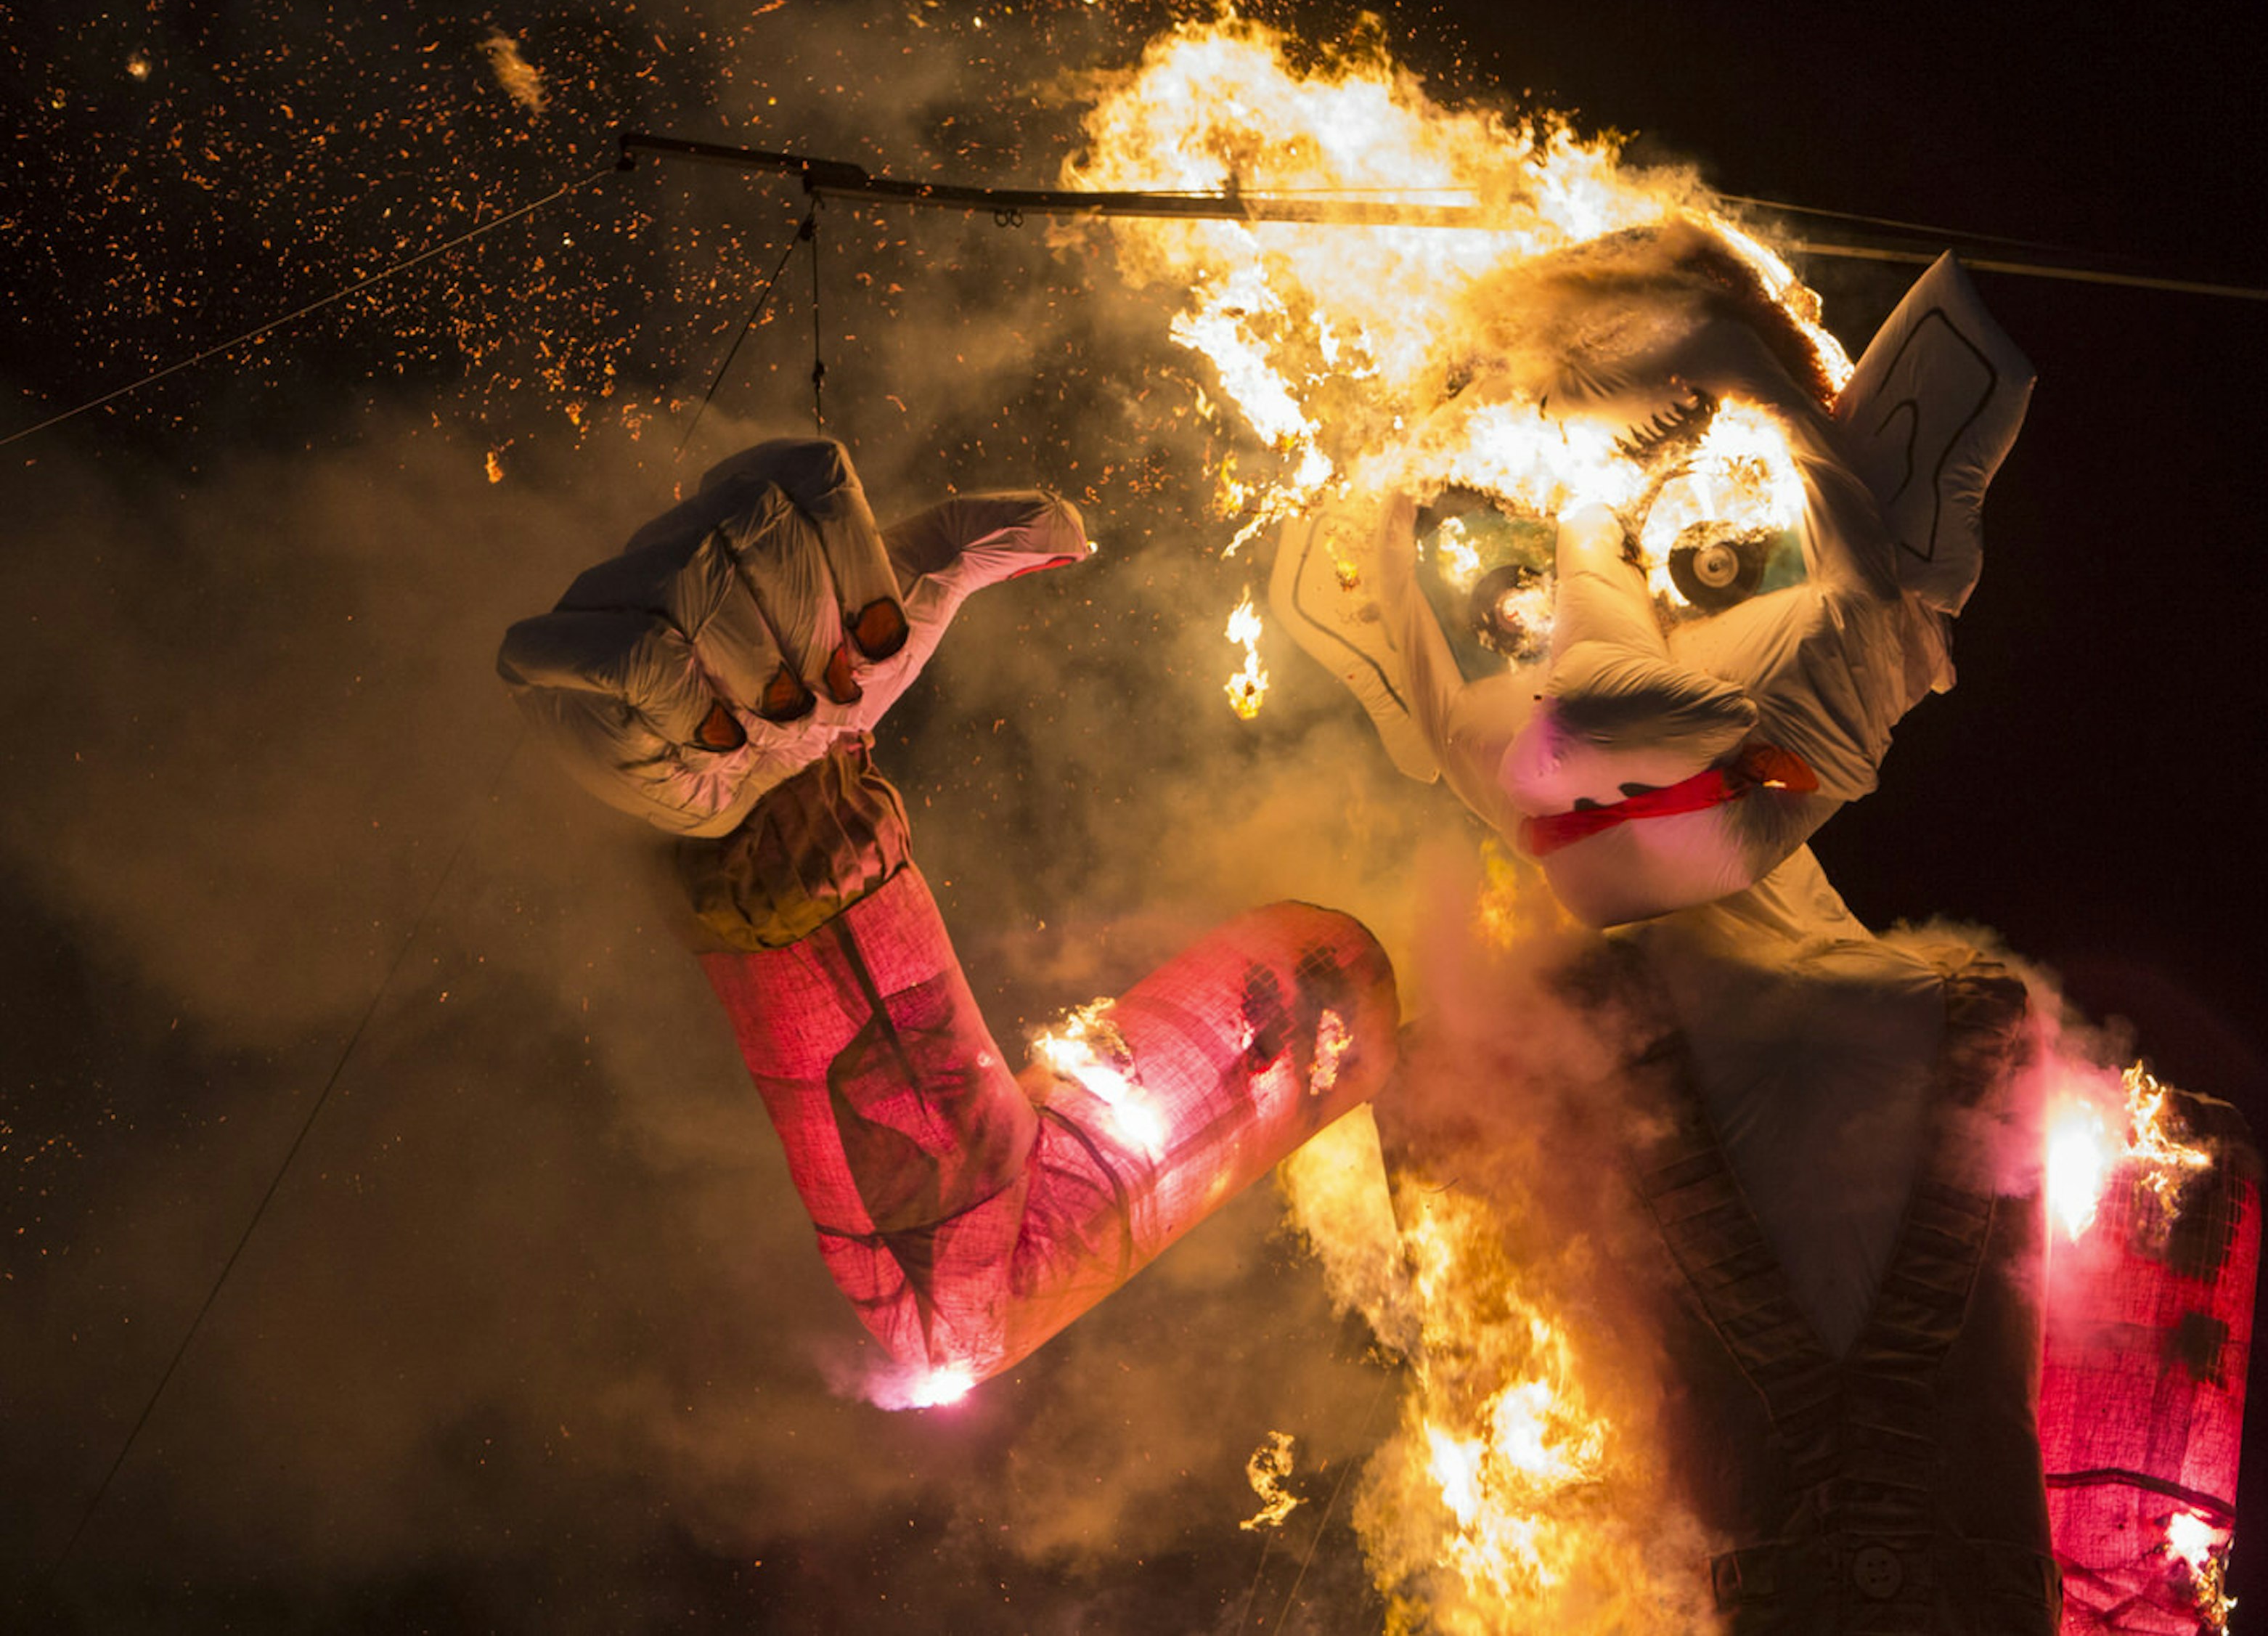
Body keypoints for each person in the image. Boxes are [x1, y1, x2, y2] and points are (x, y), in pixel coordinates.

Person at [499, 219, 2058, 1631]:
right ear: (1385, 666)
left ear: (1910, 513)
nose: (1590, 684)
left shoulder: (2083, 1113)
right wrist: (796, 817)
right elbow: (953, 1292)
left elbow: (2139, 1553)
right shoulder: (1345, 1012)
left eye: (1714, 553)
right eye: (1492, 599)